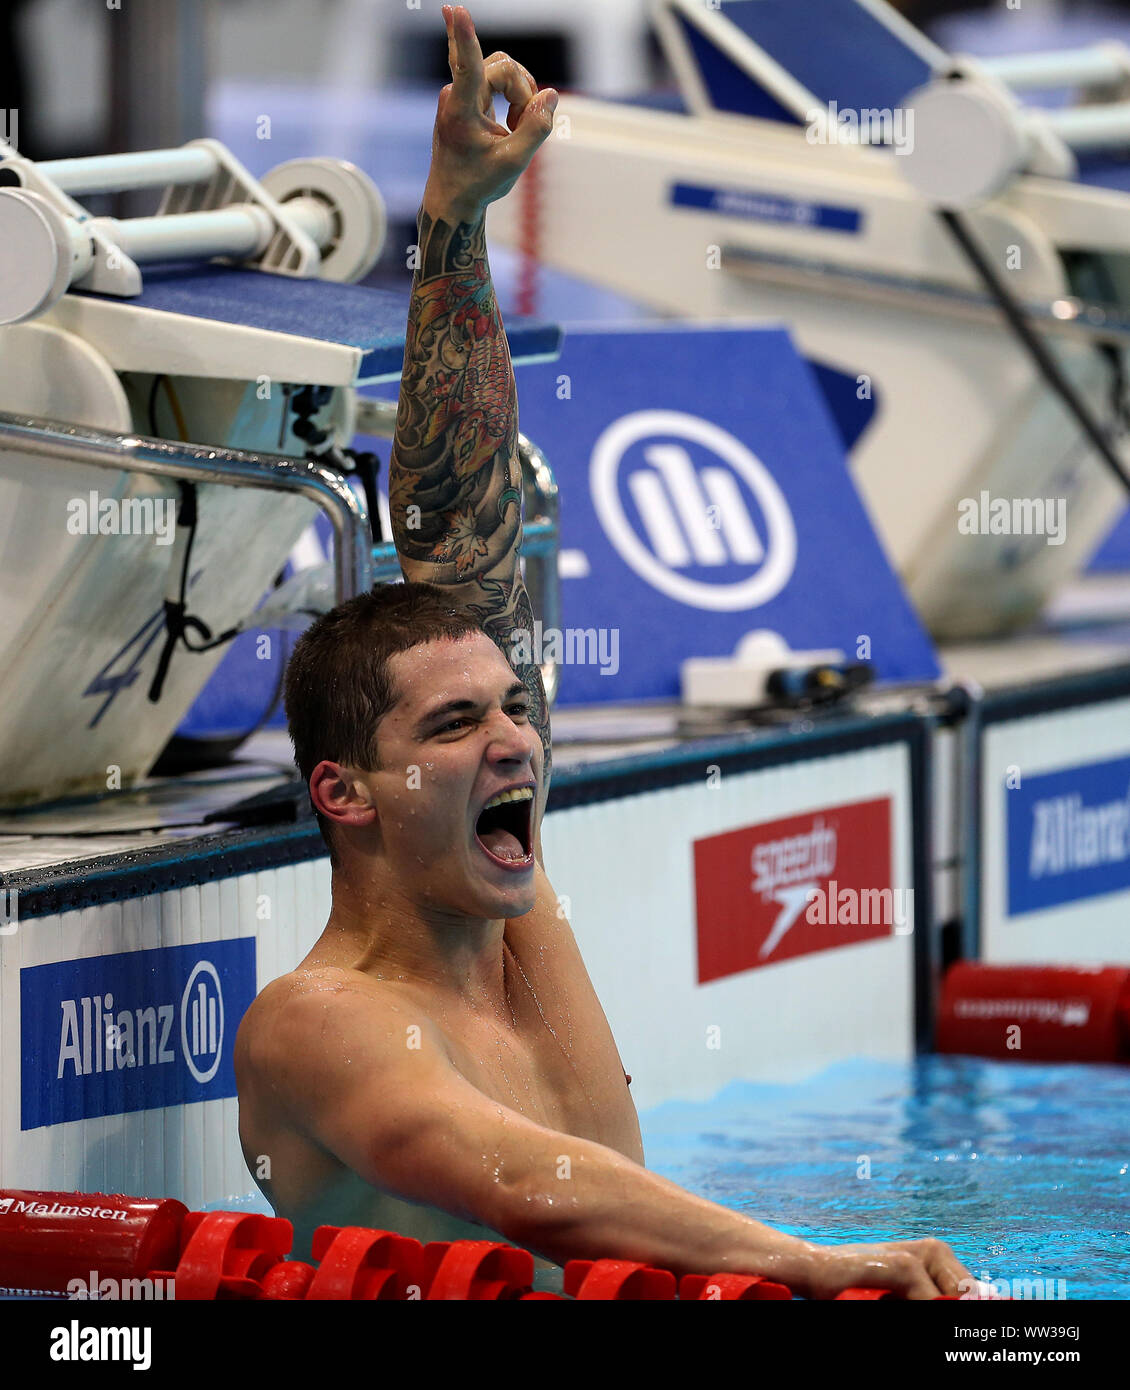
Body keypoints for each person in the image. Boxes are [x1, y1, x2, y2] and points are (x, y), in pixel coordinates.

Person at [234, 4, 972, 1299]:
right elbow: (533, 1188)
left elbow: (465, 550)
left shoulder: (512, 913)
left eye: (509, 709)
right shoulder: (320, 1021)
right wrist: (807, 1261)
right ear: (343, 793)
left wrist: (455, 220)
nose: (512, 735)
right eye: (450, 726)